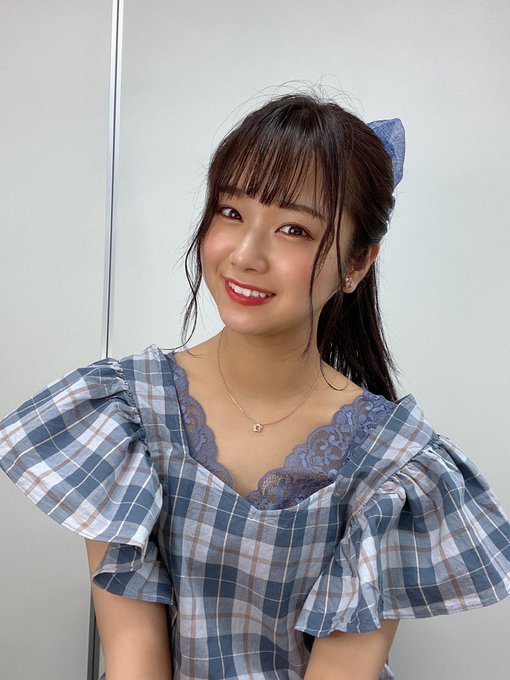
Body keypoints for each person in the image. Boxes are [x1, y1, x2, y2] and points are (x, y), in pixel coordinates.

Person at [1, 92, 510, 680]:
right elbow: (133, 658)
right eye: (231, 212)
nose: (246, 255)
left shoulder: (394, 467)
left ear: (357, 263)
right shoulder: (126, 415)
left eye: (293, 229)